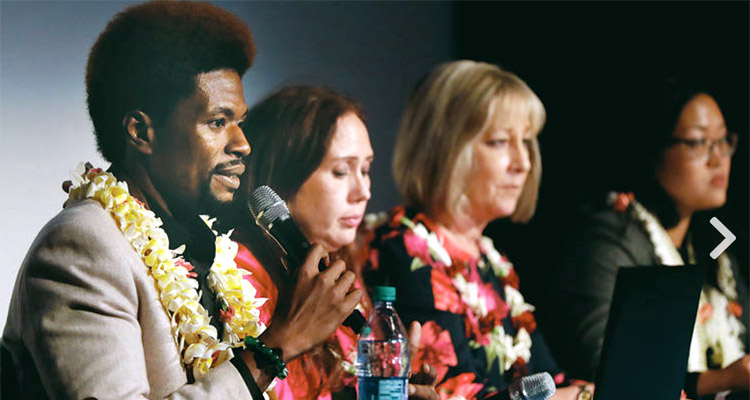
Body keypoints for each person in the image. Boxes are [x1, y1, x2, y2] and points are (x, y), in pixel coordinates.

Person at [1, 3, 360, 399]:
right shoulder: (80, 248)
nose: (242, 144)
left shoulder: (205, 246)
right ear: (141, 132)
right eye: (217, 122)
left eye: (239, 122)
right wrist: (278, 345)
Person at [364, 60, 593, 399]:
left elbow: (549, 381)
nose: (523, 163)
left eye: (527, 141)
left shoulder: (489, 258)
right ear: (445, 149)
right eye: (500, 142)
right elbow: (461, 395)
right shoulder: (405, 249)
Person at [230, 85, 439, 400]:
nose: (364, 191)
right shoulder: (241, 276)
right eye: (341, 171)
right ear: (281, 178)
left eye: (366, 170)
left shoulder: (340, 268)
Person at [552, 77, 749, 398]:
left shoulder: (716, 242)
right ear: (652, 150)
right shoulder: (607, 239)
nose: (719, 158)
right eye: (699, 142)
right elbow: (608, 372)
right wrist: (723, 379)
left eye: (723, 140)